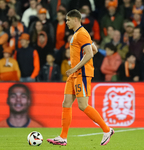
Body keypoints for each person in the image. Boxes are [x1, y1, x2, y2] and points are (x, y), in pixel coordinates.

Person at [47, 9, 114, 146]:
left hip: (81, 73)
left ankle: (107, 130)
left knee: (83, 106)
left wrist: (76, 67)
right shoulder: (79, 34)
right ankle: (63, 137)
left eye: (68, 20)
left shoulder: (82, 34)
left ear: (76, 19)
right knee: (66, 103)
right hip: (74, 74)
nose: (66, 22)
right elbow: (93, 50)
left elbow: (89, 54)